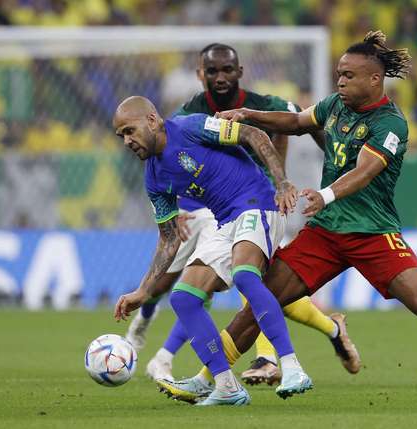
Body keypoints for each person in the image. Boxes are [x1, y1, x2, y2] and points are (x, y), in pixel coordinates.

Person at [170, 30, 417, 406]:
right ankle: (207, 380)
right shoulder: (335, 105)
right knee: (259, 301)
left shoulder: (391, 123)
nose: (340, 81)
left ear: (374, 79)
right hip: (325, 233)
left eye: (349, 75)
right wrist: (248, 114)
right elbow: (296, 122)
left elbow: (365, 171)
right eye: (339, 74)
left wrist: (325, 195)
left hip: (373, 233)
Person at [125, 43, 360, 387]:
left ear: (239, 72)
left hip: (266, 198)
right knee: (198, 293)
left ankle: (272, 361)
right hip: (218, 212)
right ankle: (325, 330)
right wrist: (179, 215)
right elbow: (176, 162)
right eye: (212, 71)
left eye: (226, 70)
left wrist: (336, 173)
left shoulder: (261, 105)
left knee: (249, 277)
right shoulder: (188, 116)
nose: (220, 77)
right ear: (200, 75)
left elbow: (303, 119)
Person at [112, 96, 312, 406]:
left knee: (245, 275)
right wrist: (144, 290)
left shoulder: (191, 128)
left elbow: (253, 134)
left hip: (258, 203)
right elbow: (169, 238)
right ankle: (226, 386)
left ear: (152, 120)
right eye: (121, 136)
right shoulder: (153, 178)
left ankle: (292, 368)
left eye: (130, 130)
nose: (127, 141)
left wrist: (282, 182)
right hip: (225, 221)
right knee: (184, 297)